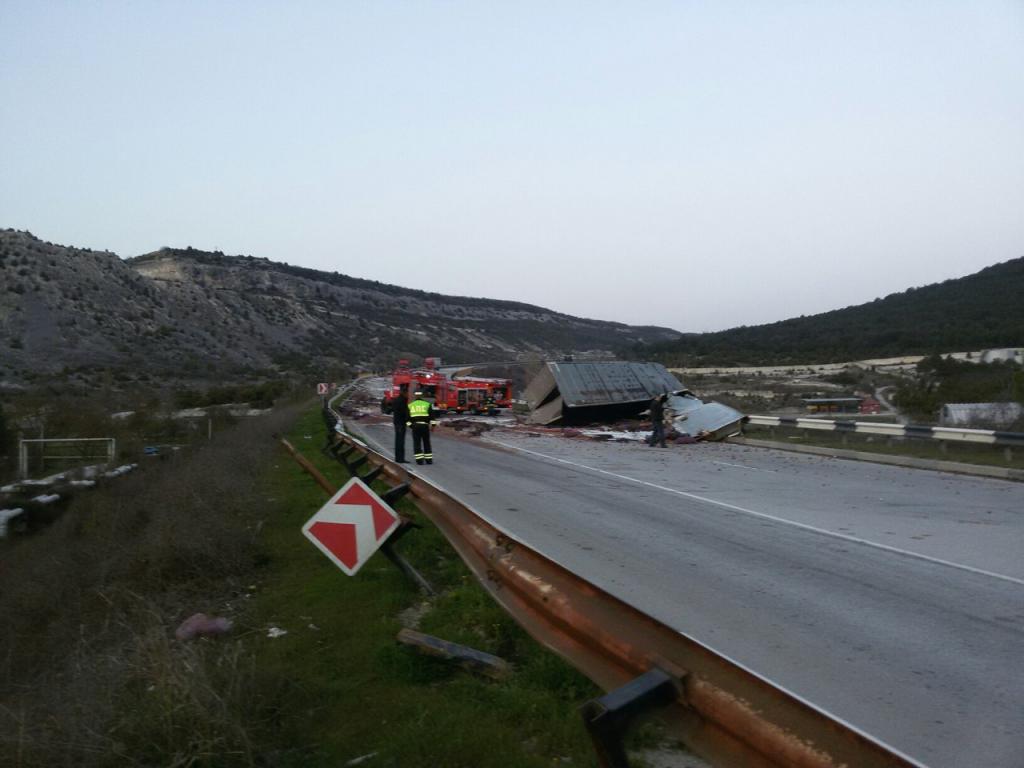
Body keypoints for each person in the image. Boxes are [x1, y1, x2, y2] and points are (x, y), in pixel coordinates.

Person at [407, 390, 437, 465]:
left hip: (416, 426)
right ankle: (428, 460)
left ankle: (419, 461)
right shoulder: (427, 404)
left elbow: (407, 420)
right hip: (425, 426)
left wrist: (411, 426)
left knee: (417, 443)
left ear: (415, 396)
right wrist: (433, 426)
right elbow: (432, 417)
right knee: (426, 443)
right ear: (422, 396)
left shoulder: (410, 405)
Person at [391, 384, 410, 463]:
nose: (408, 394)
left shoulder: (396, 400)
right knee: (400, 441)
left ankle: (398, 458)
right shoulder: (402, 401)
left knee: (398, 440)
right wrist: (409, 422)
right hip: (400, 423)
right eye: (407, 393)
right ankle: (400, 459)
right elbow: (404, 413)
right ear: (404, 393)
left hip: (397, 422)